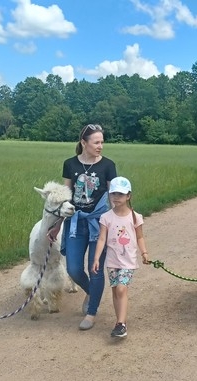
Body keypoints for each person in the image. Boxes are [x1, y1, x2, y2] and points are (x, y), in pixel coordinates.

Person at [47, 124, 117, 331]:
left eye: (102, 142)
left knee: (95, 270)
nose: (100, 146)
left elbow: (114, 198)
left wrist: (117, 224)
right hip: (75, 223)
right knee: (74, 269)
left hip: (99, 224)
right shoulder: (70, 164)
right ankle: (92, 292)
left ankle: (91, 313)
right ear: (83, 143)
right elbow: (66, 199)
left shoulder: (108, 165)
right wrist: (57, 226)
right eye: (96, 142)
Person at [91, 176, 150, 338]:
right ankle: (119, 322)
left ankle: (121, 324)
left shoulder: (135, 217)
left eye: (121, 194)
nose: (116, 197)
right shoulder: (106, 217)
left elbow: (139, 237)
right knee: (116, 290)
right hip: (112, 260)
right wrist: (96, 258)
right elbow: (101, 239)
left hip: (128, 261)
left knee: (122, 288)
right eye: (113, 194)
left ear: (128, 196)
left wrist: (144, 253)